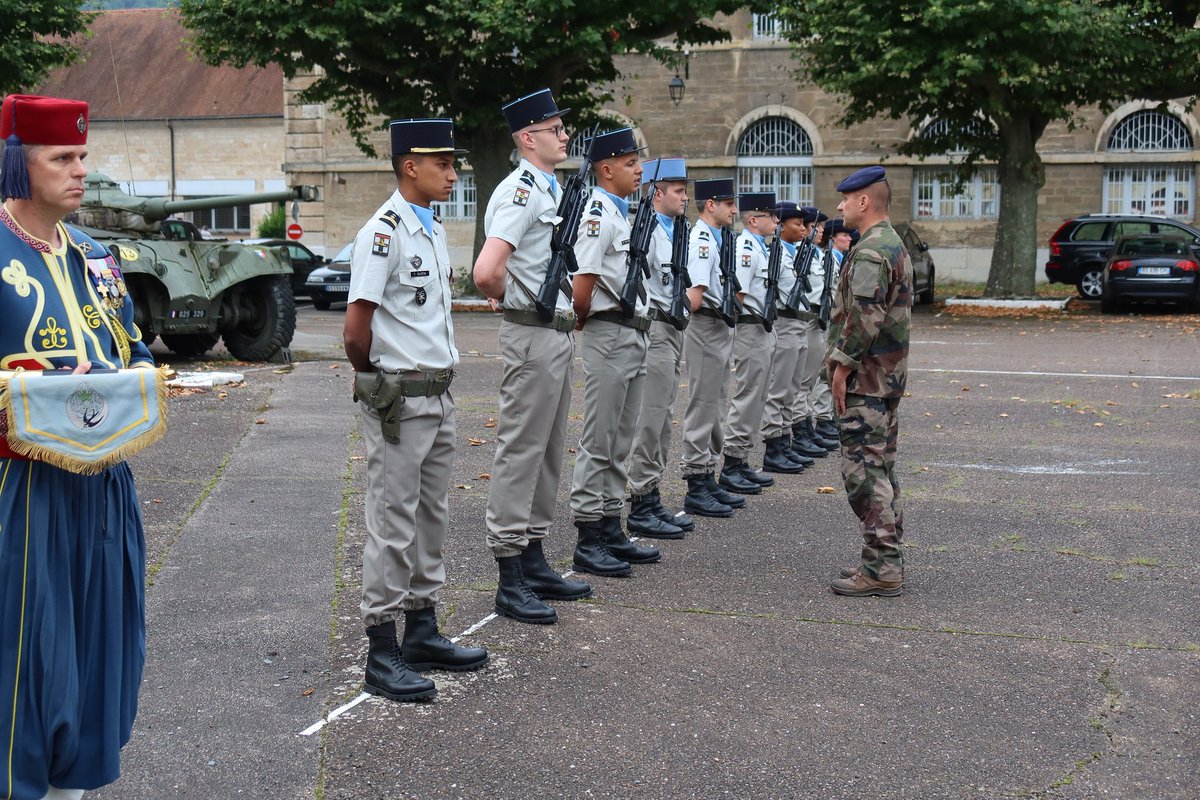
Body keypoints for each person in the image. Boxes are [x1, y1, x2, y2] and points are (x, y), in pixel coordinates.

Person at [0, 93, 156, 800]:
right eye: (61, 157)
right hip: (23, 494)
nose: (79, 170)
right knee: (30, 664)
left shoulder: (98, 255)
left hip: (104, 488)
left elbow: (130, 347)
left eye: (83, 156)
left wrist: (141, 374)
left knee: (101, 658)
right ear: (14, 164)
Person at [344, 118, 489, 702]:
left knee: (432, 516)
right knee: (392, 521)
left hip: (438, 392)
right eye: (443, 165)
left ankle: (422, 628)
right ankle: (382, 647)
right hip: (401, 397)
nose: (453, 174)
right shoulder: (384, 233)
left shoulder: (429, 227)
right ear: (410, 166)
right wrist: (377, 381)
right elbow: (357, 329)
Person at [473, 89, 592, 624]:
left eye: (561, 128)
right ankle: (509, 570)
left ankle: (536, 553)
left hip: (556, 333)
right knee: (521, 449)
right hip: (533, 333)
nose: (564, 135)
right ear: (527, 138)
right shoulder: (519, 191)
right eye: (554, 128)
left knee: (549, 448)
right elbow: (486, 270)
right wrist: (510, 296)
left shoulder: (551, 188)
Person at [568, 128, 660, 576]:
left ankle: (610, 524)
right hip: (608, 331)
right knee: (600, 437)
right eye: (629, 163)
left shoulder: (621, 214)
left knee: (621, 438)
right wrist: (586, 322)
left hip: (634, 332)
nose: (639, 169)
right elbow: (582, 284)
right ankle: (588, 535)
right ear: (606, 169)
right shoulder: (597, 214)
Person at [825, 166, 913, 597]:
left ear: (864, 202)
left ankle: (881, 568)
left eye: (846, 198)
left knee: (863, 474)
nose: (839, 205)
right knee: (881, 469)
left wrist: (841, 366)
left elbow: (864, 317)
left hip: (866, 381)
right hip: (885, 380)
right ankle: (883, 558)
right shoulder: (892, 243)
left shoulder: (871, 251)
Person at [625, 157, 693, 540]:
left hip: (673, 328)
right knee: (649, 419)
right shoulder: (646, 230)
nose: (685, 198)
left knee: (663, 416)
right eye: (678, 191)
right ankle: (639, 500)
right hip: (655, 328)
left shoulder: (674, 229)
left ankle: (650, 493)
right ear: (656, 192)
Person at [678, 178, 745, 518]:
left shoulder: (719, 238)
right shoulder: (701, 239)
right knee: (703, 403)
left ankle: (707, 473)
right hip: (705, 324)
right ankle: (695, 480)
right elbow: (695, 294)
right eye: (728, 203)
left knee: (717, 401)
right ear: (710, 205)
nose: (735, 209)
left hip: (719, 325)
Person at [720, 192, 778, 494]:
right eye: (771, 216)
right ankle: (732, 462)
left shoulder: (761, 249)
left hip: (762, 328)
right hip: (750, 329)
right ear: (754, 220)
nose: (776, 221)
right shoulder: (746, 248)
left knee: (757, 396)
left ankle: (741, 459)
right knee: (748, 395)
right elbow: (738, 295)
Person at [758, 201, 813, 475]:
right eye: (797, 223)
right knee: (778, 388)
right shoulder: (775, 254)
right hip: (784, 321)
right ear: (781, 225)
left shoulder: (792, 254)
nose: (802, 228)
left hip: (799, 324)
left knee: (792, 389)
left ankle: (785, 439)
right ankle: (773, 446)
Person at [792, 209, 840, 457]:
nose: (821, 231)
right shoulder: (800, 253)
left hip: (817, 318)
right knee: (801, 381)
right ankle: (800, 429)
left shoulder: (816, 254)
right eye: (816, 227)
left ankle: (807, 425)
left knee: (810, 378)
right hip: (805, 318)